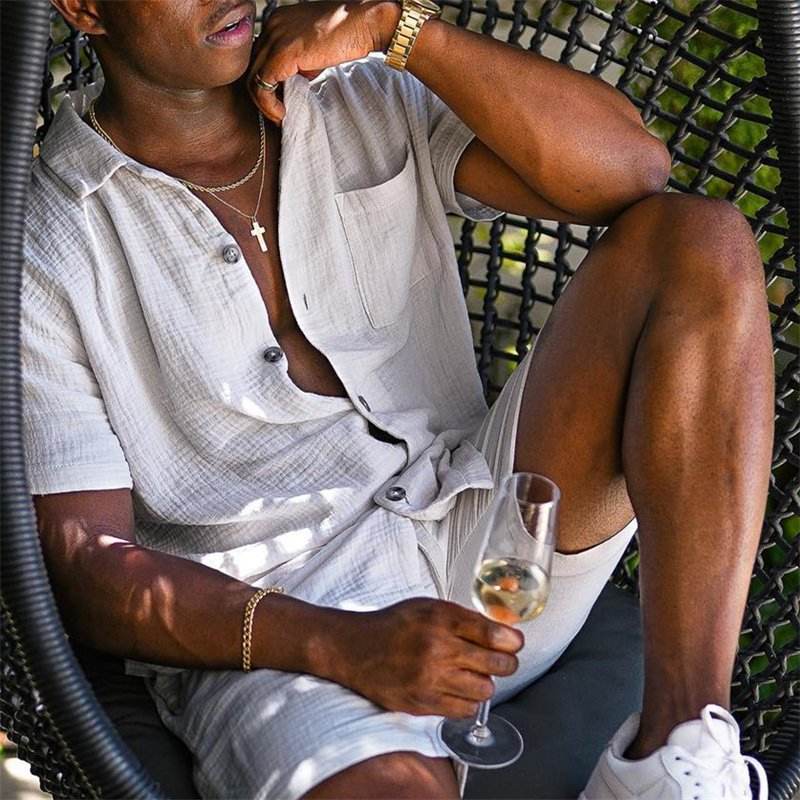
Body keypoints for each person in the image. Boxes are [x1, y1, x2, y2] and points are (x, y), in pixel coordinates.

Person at [24, 0, 773, 798]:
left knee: (699, 243)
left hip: (484, 531)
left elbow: (632, 171)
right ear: (84, 7)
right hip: (287, 625)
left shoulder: (352, 94)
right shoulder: (44, 243)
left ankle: (678, 748)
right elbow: (89, 569)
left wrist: (400, 29)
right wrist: (336, 644)